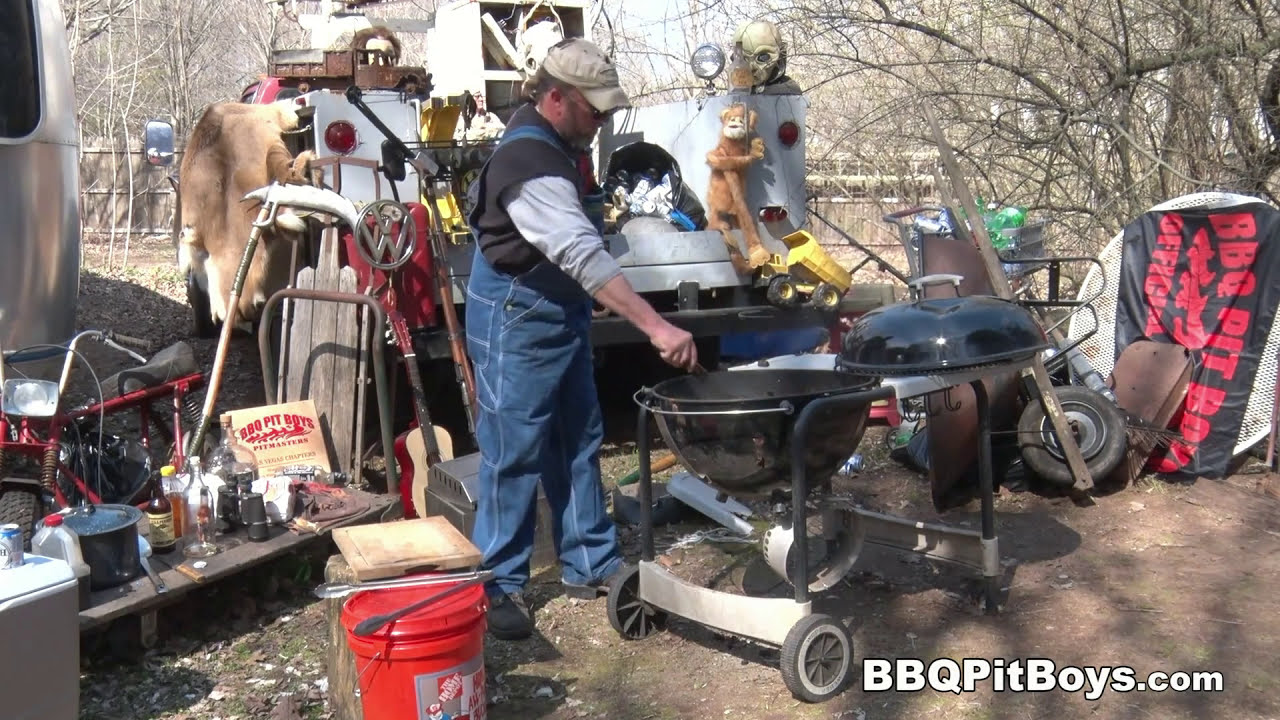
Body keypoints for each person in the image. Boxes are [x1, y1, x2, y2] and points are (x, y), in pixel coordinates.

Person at [463, 37, 699, 641]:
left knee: (578, 437)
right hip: (516, 314)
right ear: (557, 98)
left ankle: (590, 561)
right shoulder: (531, 164)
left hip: (557, 312)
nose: (604, 121)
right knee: (513, 451)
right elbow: (580, 255)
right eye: (595, 109)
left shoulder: (559, 143)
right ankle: (497, 583)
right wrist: (656, 324)